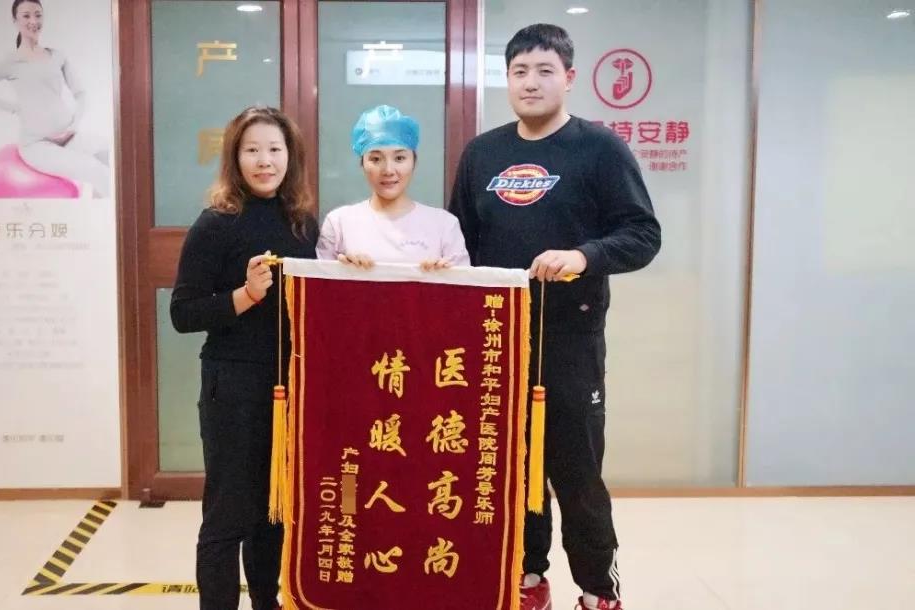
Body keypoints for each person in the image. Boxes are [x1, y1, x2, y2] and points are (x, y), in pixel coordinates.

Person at [447, 24, 661, 610]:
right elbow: (457, 241)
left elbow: (643, 234)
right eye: (519, 71)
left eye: (545, 71)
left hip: (570, 340)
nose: (531, 82)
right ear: (506, 80)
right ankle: (527, 578)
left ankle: (598, 590)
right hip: (497, 340)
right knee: (511, 470)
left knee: (576, 473)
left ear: (568, 78)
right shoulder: (482, 153)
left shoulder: (599, 149)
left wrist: (583, 256)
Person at [170, 106, 318, 610]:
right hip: (231, 388)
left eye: (274, 149)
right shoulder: (216, 223)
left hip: (289, 386)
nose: (264, 160)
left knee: (272, 512)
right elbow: (183, 313)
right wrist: (246, 295)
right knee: (227, 515)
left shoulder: (301, 222)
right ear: (235, 158)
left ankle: (265, 602)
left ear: (290, 157)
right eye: (252, 150)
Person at [0, 0, 111, 197]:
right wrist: (15, 108)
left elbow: (81, 93)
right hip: (37, 144)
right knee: (96, 170)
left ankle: (100, 210)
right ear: (15, 21)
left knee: (107, 151)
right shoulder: (10, 62)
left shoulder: (57, 56)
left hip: (68, 137)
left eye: (38, 15)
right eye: (26, 16)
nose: (33, 21)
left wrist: (74, 124)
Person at [317, 105, 469, 270]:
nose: (388, 170)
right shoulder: (338, 224)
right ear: (363, 163)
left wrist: (442, 277)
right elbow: (318, 283)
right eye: (376, 159)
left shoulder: (444, 225)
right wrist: (344, 273)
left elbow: (464, 284)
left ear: (414, 162)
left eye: (399, 158)